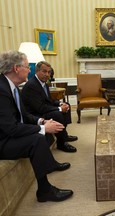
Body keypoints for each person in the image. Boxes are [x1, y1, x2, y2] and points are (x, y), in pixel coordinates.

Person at [0, 50, 73, 202]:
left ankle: (49, 172)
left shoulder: (11, 86)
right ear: (16, 68)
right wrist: (44, 129)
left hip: (8, 134)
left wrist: (42, 122)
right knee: (37, 139)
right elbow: (11, 128)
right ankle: (45, 191)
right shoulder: (2, 90)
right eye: (27, 67)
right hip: (3, 140)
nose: (29, 70)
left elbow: (24, 115)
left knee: (39, 134)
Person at [21, 61, 77, 153]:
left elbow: (49, 101)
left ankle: (64, 134)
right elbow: (40, 108)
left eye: (49, 72)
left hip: (41, 109)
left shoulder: (44, 84)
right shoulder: (32, 85)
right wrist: (59, 109)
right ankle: (61, 143)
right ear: (37, 71)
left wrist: (60, 104)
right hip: (34, 114)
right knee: (57, 114)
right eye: (44, 71)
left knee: (67, 105)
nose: (47, 74)